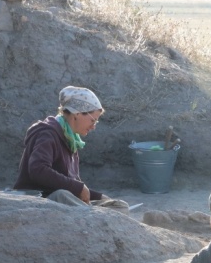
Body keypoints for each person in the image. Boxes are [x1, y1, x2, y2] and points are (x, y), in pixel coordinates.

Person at [13, 85, 129, 213]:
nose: (93, 126)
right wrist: (78, 187)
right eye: (93, 120)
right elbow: (38, 169)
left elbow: (73, 185)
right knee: (62, 195)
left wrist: (99, 197)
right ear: (77, 114)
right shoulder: (47, 134)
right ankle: (92, 215)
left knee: (119, 206)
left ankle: (93, 214)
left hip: (67, 201)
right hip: (41, 199)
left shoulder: (71, 139)